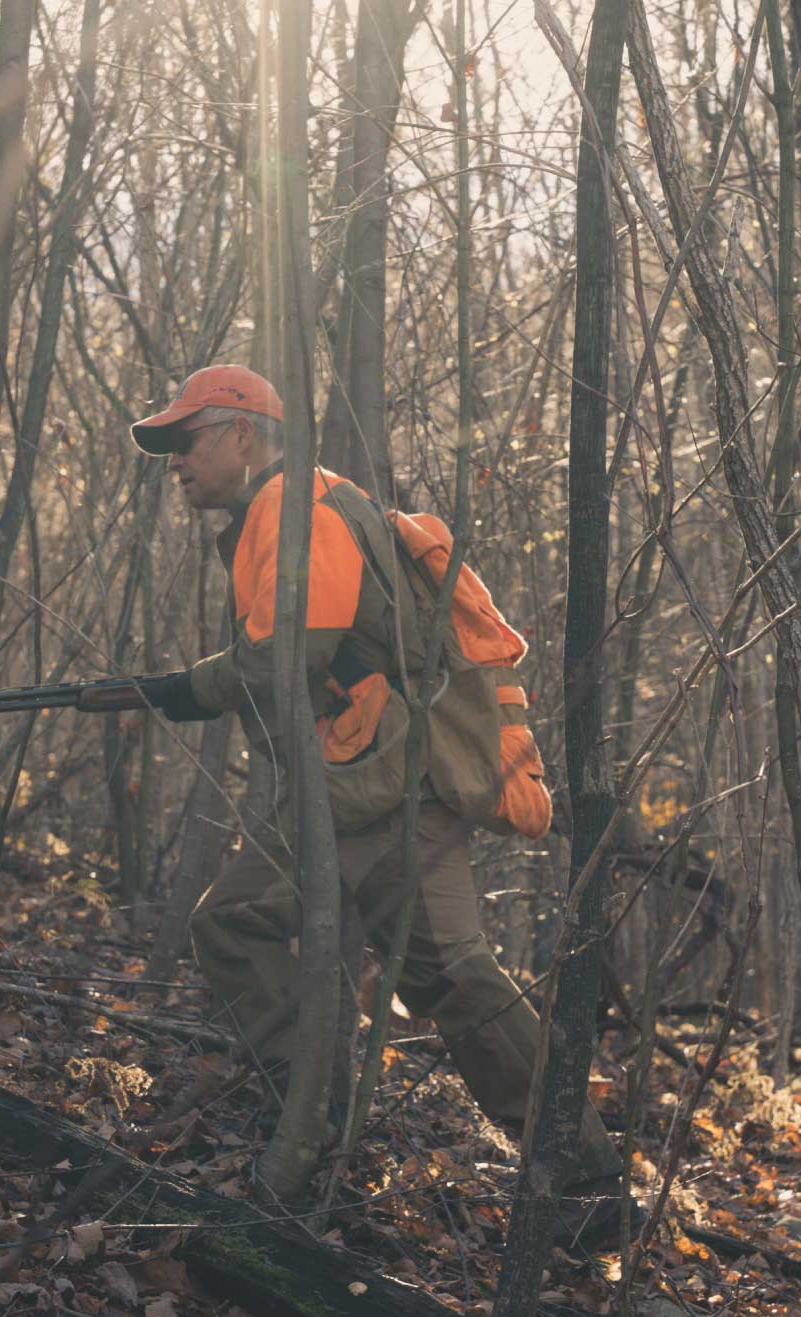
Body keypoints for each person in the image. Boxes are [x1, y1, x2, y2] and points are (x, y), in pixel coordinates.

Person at [129, 364, 629, 1229]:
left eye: (187, 437)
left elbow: (295, 657)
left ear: (243, 435)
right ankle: (562, 1172)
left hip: (383, 784)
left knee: (384, 957)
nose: (175, 459)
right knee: (422, 967)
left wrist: (189, 688)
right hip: (377, 780)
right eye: (168, 444)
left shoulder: (297, 513)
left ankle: (557, 1174)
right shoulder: (289, 509)